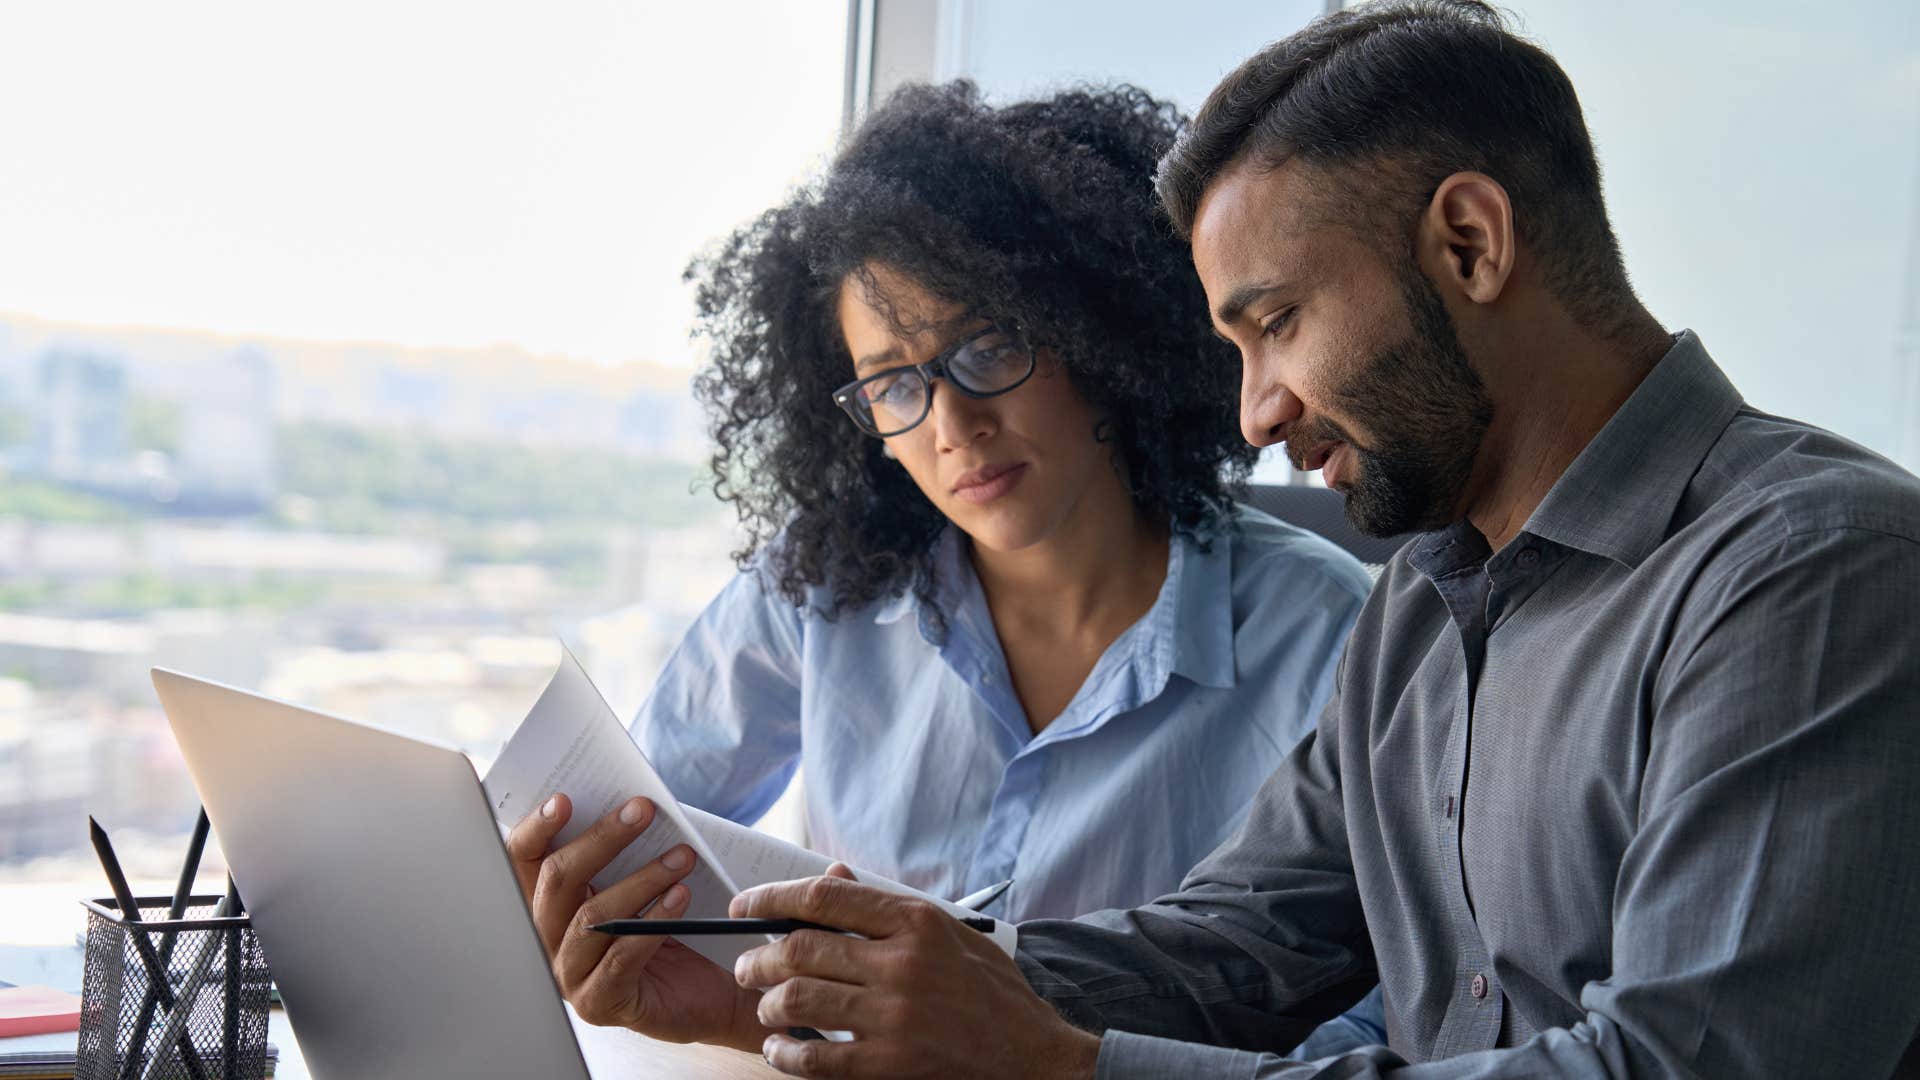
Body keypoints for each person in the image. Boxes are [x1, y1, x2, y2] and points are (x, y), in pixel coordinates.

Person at [509, 1, 1920, 1075]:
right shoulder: (1431, 602)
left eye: (1277, 322)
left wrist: (1068, 1070)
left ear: (1472, 245)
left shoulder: (1814, 572)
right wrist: (801, 991)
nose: (1253, 415)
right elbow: (1233, 942)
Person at [510, 81, 1386, 1050]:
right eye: (893, 384)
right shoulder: (820, 592)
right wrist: (580, 914)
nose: (954, 424)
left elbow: (1383, 1021)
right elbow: (643, 826)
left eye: (990, 347)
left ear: (1100, 337)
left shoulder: (1331, 639)